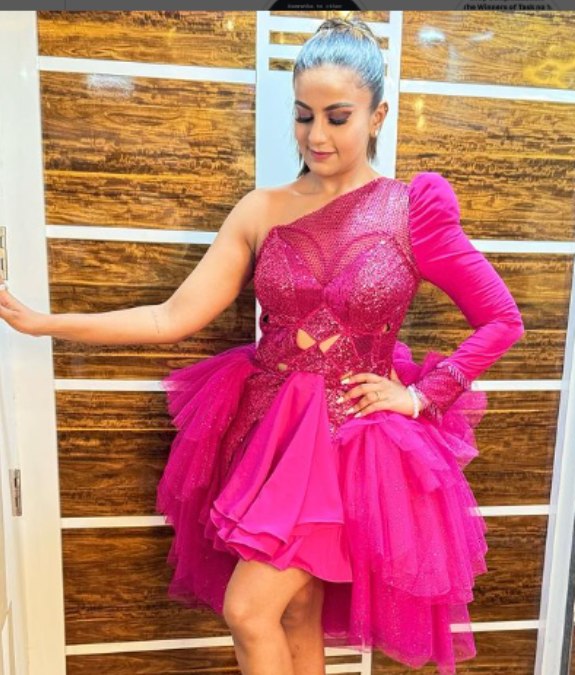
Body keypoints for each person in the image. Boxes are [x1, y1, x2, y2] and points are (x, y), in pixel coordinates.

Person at [0, 17, 524, 675]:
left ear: (378, 115)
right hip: (269, 434)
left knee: (249, 611)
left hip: (349, 445)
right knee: (294, 613)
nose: (316, 135)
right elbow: (171, 316)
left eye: (337, 117)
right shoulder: (260, 209)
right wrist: (47, 323)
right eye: (303, 116)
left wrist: (421, 396)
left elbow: (501, 320)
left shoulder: (412, 209)